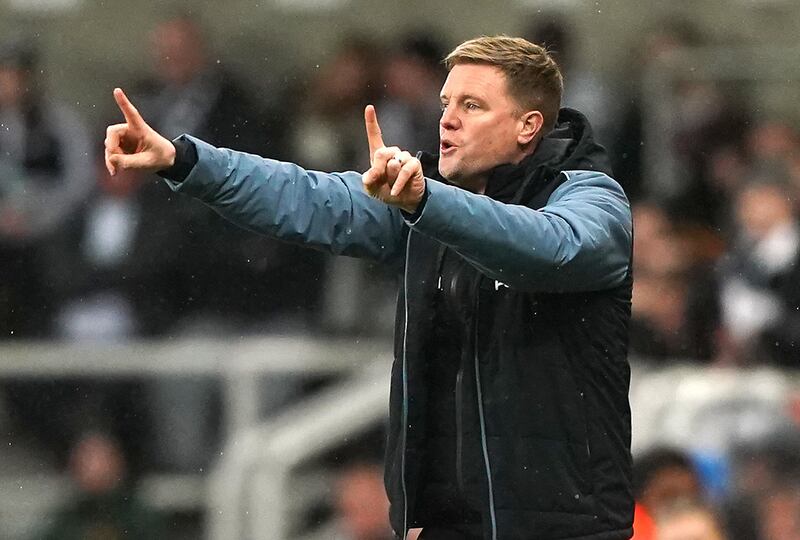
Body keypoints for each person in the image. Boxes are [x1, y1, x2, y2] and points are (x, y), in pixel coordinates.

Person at [104, 36, 634, 540]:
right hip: (452, 526)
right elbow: (307, 197)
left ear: (528, 125)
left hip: (567, 529)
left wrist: (429, 204)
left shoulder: (592, 199)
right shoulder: (422, 200)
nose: (446, 118)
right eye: (447, 101)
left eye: (472, 105)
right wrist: (184, 161)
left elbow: (551, 249)